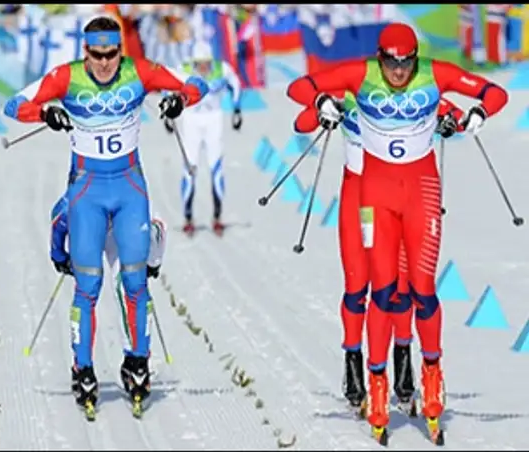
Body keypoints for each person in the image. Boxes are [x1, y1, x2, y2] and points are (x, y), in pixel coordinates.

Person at [286, 22, 508, 442]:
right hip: (367, 198)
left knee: (421, 289)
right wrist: (321, 104)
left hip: (420, 193)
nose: (399, 73)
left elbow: (491, 95)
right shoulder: (357, 78)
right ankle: (372, 379)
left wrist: (474, 115)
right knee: (374, 290)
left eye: (406, 64)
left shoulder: (434, 76)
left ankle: (429, 376)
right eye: (391, 63)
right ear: (379, 58)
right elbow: (300, 94)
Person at [3, 15, 207, 415]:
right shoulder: (66, 76)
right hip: (86, 190)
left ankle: (137, 361)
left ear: (120, 50)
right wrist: (45, 114)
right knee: (88, 285)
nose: (103, 64)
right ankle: (83, 369)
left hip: (129, 188)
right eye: (96, 56)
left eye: (111, 55)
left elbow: (198, 82)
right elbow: (15, 105)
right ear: (85, 52)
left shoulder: (139, 71)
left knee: (134, 280)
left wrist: (180, 99)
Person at [292, 93, 465, 416]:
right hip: (359, 198)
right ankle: (354, 363)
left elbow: (456, 114)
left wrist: (451, 121)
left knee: (399, 286)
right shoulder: (353, 93)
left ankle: (402, 364)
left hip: (398, 196)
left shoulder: (412, 96)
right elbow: (301, 123)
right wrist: (322, 106)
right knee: (358, 285)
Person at [49, 193, 167, 394]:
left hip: (102, 229)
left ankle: (87, 371)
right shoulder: (127, 181)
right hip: (101, 227)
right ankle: (135, 365)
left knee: (100, 291)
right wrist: (153, 262)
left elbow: (155, 225)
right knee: (126, 289)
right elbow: (156, 226)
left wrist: (59, 255)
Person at [162, 40, 242, 237]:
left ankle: (217, 216)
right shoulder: (184, 69)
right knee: (190, 168)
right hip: (191, 121)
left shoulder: (222, 68)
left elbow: (236, 84)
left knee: (216, 168)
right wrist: (167, 113)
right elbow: (166, 84)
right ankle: (188, 217)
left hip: (214, 120)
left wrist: (237, 110)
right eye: (200, 63)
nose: (203, 68)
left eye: (206, 63)